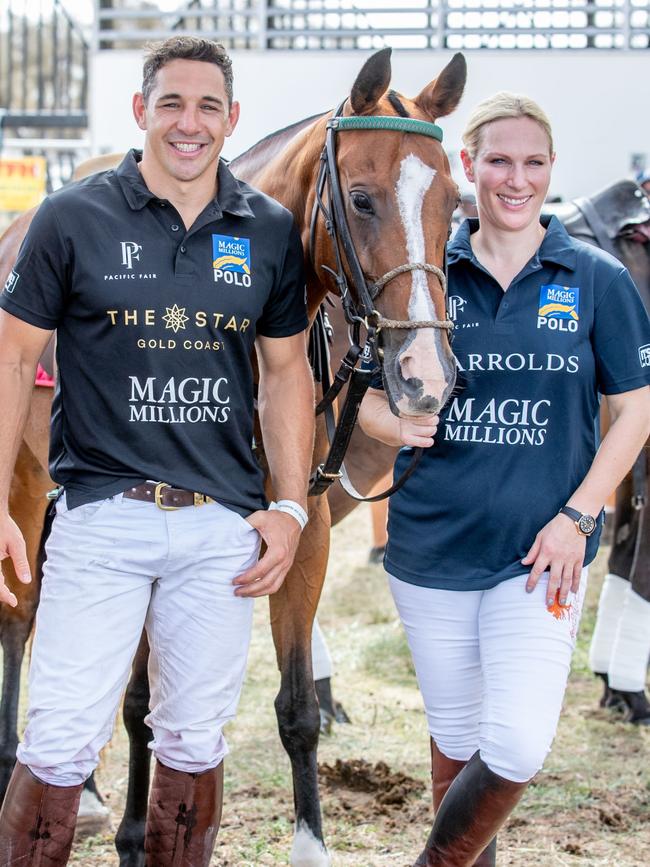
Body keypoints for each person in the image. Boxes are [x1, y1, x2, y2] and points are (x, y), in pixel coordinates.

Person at [0, 36, 314, 865]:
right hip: (102, 516)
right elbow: (8, 355)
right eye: (171, 102)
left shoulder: (268, 229)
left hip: (219, 528)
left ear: (231, 118)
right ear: (141, 111)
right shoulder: (73, 216)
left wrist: (288, 506)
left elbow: (286, 376)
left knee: (194, 739)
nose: (189, 122)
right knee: (61, 734)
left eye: (208, 105)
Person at [359, 92, 650, 866]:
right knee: (457, 741)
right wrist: (385, 421)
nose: (514, 179)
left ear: (551, 170)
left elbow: (635, 412)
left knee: (516, 744)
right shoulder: (428, 270)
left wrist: (580, 516)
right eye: (498, 160)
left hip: (542, 552)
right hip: (430, 549)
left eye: (532, 163)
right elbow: (357, 386)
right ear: (468, 167)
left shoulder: (595, 278)